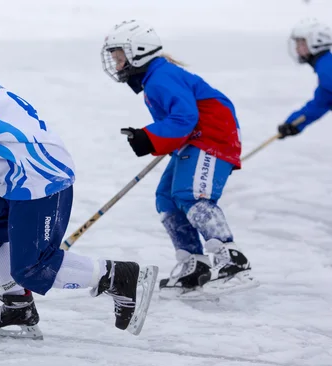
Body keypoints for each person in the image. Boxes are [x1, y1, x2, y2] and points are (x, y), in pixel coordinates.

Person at [0, 16, 158, 338]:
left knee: (32, 267)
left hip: (37, 180)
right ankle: (17, 305)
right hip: (19, 176)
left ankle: (118, 276)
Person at [101, 20, 256, 298]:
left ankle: (233, 260)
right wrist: (156, 138)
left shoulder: (162, 77)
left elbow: (185, 117)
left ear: (138, 51)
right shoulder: (154, 79)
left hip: (211, 139)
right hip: (194, 140)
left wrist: (148, 137)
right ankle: (194, 264)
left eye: (119, 56)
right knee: (167, 198)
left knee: (191, 194)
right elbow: (180, 120)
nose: (116, 63)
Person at [278, 18, 332, 139]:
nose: (297, 48)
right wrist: (293, 124)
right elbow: (320, 104)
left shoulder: (327, 70)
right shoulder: (325, 68)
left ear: (315, 42)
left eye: (301, 43)